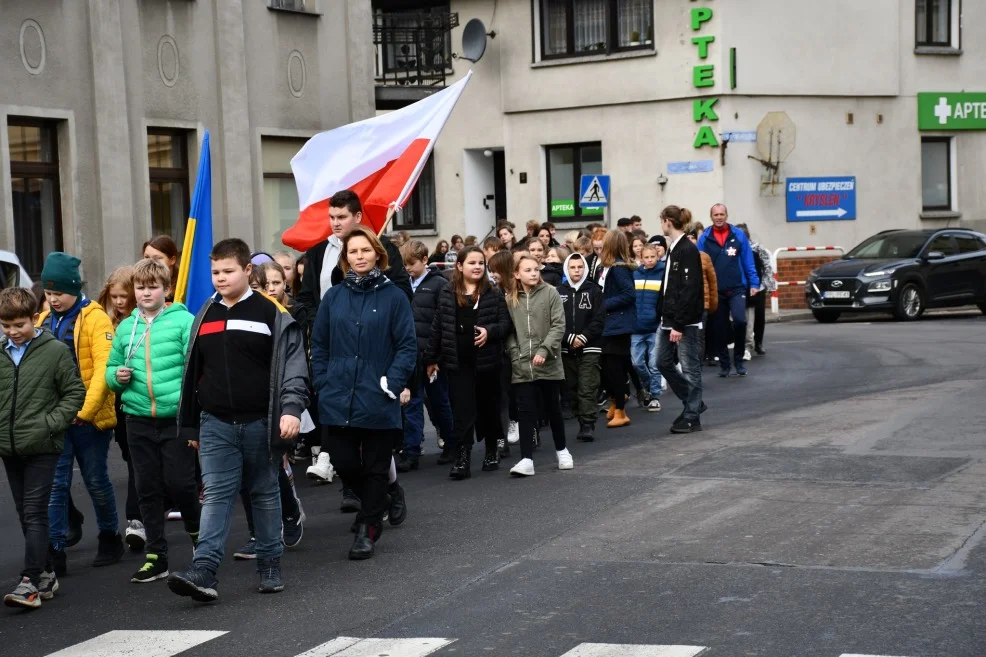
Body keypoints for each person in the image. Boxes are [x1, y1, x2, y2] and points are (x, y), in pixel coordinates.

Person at [168, 238, 310, 601]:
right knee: (215, 495)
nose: (220, 278)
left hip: (261, 422)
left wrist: (291, 410)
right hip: (215, 422)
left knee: (263, 493)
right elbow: (193, 371)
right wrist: (192, 425)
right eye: (214, 272)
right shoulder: (205, 314)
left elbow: (293, 368)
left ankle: (270, 563)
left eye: (228, 271)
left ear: (248, 271)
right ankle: (205, 570)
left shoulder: (271, 313)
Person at [293, 190, 410, 497]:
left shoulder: (381, 249)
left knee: (373, 440)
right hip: (336, 354)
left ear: (357, 217)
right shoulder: (318, 253)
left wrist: (396, 378)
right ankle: (356, 491)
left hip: (374, 353)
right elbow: (306, 299)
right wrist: (324, 322)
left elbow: (400, 298)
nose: (335, 223)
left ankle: (384, 491)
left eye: (342, 217)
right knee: (343, 440)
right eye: (331, 217)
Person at [310, 226, 416, 560]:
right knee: (343, 461)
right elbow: (320, 343)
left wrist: (393, 383)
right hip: (337, 394)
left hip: (378, 394)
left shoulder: (393, 297)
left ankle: (368, 529)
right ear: (345, 258)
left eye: (365, 250)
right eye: (353, 251)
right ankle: (380, 498)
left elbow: (406, 346)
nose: (359, 256)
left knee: (374, 466)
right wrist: (324, 381)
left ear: (378, 255)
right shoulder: (334, 296)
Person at [105, 259, 200, 584]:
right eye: (140, 287)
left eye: (152, 287)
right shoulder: (125, 327)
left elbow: (196, 366)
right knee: (147, 488)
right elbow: (111, 369)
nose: (146, 293)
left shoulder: (183, 321)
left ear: (167, 289)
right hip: (137, 418)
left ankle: (199, 540)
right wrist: (115, 377)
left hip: (174, 418)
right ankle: (156, 557)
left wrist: (194, 413)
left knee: (181, 483)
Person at [38, 252, 123, 576]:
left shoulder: (95, 317)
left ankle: (109, 535)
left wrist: (86, 412)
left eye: (58, 292)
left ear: (73, 288)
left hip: (88, 419)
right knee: (56, 484)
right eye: (48, 293)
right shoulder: (43, 320)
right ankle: (55, 549)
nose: (53, 299)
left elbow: (103, 367)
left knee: (96, 479)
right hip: (57, 419)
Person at [0, 287, 85, 609]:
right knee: (24, 511)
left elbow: (74, 393)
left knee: (35, 511)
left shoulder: (53, 351)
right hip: (10, 446)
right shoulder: (1, 351)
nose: (13, 332)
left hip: (44, 445)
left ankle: (30, 581)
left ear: (34, 319)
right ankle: (47, 571)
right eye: (6, 326)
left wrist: (49, 424)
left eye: (19, 325)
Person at [426, 247, 512, 479]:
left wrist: (489, 331)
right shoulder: (447, 292)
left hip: (487, 362)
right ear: (459, 266)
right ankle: (462, 457)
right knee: (462, 411)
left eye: (481, 263)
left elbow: (505, 324)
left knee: (489, 408)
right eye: (472, 262)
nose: (477, 267)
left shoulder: (492, 293)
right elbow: (438, 327)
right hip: (458, 363)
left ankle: (492, 450)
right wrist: (431, 359)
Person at [504, 255, 573, 476]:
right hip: (523, 365)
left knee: (553, 408)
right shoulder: (510, 298)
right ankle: (526, 459)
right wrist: (516, 356)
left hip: (549, 363)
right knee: (525, 412)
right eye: (528, 270)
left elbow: (558, 325)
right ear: (516, 274)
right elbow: (510, 332)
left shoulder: (550, 293)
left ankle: (562, 450)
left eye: (536, 269)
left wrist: (544, 350)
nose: (534, 273)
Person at [97, 267, 144, 551]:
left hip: (143, 401)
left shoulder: (144, 321)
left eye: (123, 296)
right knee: (131, 459)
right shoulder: (108, 323)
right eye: (113, 296)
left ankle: (136, 519)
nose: (118, 301)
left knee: (139, 463)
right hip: (119, 402)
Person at [400, 241, 454, 471]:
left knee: (439, 401)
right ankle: (411, 451)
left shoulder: (439, 284)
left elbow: (443, 322)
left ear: (424, 260)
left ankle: (452, 443)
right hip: (409, 356)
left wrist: (436, 357)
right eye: (404, 265)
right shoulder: (402, 286)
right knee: (411, 404)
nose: (408, 269)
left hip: (431, 356)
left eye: (412, 264)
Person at [657, 206, 706, 434]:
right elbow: (669, 287)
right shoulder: (673, 248)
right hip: (668, 318)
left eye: (661, 221)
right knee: (662, 361)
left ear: (667, 221)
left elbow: (689, 289)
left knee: (690, 367)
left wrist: (679, 324)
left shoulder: (687, 249)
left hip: (683, 321)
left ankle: (692, 416)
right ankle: (692, 401)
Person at [697, 204, 760, 378]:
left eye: (722, 214)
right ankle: (725, 364)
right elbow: (699, 264)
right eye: (716, 214)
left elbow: (748, 260)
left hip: (737, 288)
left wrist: (754, 283)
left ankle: (738, 360)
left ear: (726, 215)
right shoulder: (705, 238)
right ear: (711, 216)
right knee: (718, 328)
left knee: (740, 321)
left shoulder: (738, 235)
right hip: (716, 291)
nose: (719, 217)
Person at [557, 254, 604, 442]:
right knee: (572, 387)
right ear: (566, 270)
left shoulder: (594, 291)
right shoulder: (558, 291)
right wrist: (568, 337)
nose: (576, 271)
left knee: (587, 385)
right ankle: (581, 416)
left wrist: (583, 337)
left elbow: (599, 319)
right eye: (572, 267)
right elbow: (554, 320)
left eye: (580, 267)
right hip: (567, 347)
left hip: (590, 346)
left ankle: (587, 423)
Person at [597, 231, 636, 429]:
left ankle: (621, 409)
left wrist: (604, 304)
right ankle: (616, 403)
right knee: (608, 366)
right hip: (613, 325)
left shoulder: (619, 268)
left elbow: (629, 294)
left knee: (615, 368)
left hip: (618, 326)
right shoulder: (612, 267)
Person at [487, 250, 519, 452]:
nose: (492, 274)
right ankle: (502, 440)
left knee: (518, 394)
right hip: (500, 350)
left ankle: (527, 428)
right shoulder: (494, 291)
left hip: (518, 348)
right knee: (501, 396)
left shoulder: (517, 291)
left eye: (495, 270)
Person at [632, 243, 666, 414]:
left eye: (653, 256)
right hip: (636, 327)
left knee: (654, 364)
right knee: (636, 363)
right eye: (646, 257)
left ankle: (655, 396)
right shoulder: (635, 275)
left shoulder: (663, 274)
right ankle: (647, 387)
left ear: (657, 256)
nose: (650, 260)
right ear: (641, 258)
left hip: (655, 327)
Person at [735, 224, 775, 357]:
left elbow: (767, 267)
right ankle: (744, 343)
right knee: (745, 316)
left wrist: (767, 285)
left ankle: (758, 343)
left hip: (759, 286)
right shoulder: (735, 249)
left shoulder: (757, 249)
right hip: (742, 287)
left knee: (759, 315)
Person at [685, 223, 719, 362]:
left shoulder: (704, 257)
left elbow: (712, 283)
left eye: (692, 238)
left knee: (699, 337)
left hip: (701, 305)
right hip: (685, 305)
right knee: (686, 339)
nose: (690, 241)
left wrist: (711, 305)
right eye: (687, 238)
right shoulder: (678, 256)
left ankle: (697, 369)